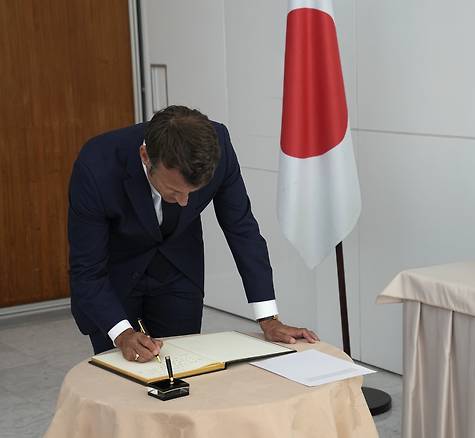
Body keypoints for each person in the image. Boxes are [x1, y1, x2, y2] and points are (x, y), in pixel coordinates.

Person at [68, 105, 318, 362]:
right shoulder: (96, 166)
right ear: (145, 156)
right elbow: (86, 269)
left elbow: (242, 229)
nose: (185, 202)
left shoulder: (217, 147)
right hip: (114, 280)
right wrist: (122, 333)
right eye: (174, 191)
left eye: (193, 191)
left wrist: (268, 318)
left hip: (178, 271)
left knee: (182, 370)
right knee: (122, 379)